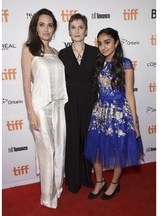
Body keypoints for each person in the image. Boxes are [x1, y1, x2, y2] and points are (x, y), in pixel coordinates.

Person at [84, 27, 144, 200]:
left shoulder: (125, 63)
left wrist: (135, 123)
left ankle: (115, 183)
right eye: (100, 43)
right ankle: (99, 181)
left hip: (119, 113)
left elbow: (130, 95)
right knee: (95, 149)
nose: (103, 47)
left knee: (119, 151)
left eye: (107, 42)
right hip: (100, 112)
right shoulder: (98, 63)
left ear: (116, 42)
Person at [21, 8, 68, 209]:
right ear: (36, 27)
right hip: (40, 108)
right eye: (42, 24)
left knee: (59, 150)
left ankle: (57, 188)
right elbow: (26, 84)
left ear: (54, 28)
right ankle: (48, 198)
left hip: (58, 107)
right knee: (47, 151)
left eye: (50, 25)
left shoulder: (56, 53)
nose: (46, 29)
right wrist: (31, 112)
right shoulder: (28, 49)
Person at [58, 13, 99, 194]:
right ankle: (73, 180)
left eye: (80, 27)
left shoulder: (95, 52)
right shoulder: (63, 53)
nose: (77, 31)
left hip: (90, 101)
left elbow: (101, 78)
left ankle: (86, 177)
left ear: (86, 30)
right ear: (69, 31)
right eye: (73, 27)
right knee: (73, 140)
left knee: (88, 140)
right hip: (70, 103)